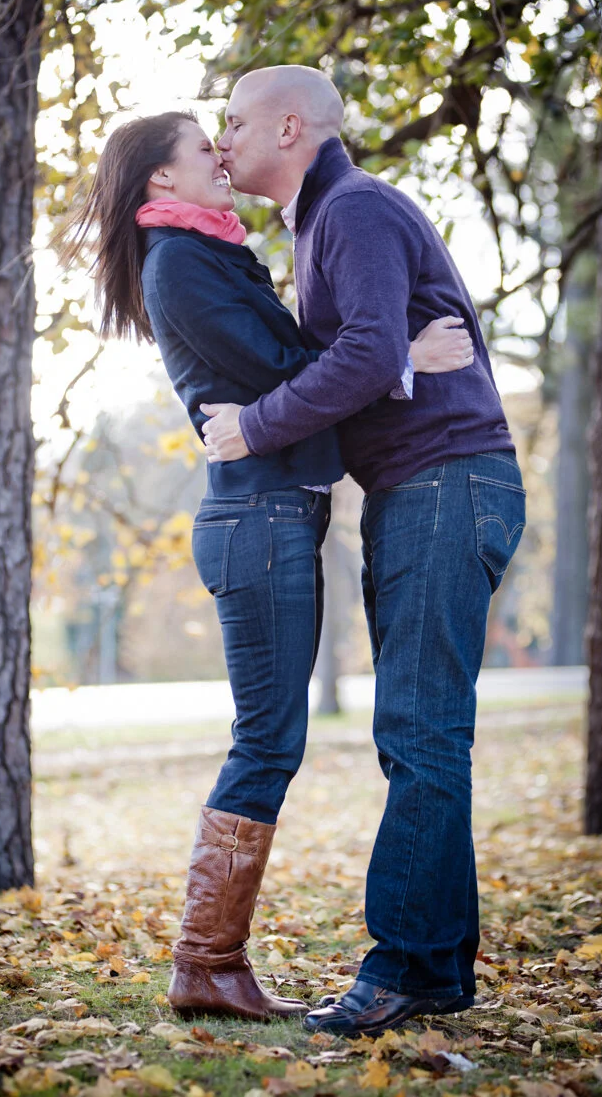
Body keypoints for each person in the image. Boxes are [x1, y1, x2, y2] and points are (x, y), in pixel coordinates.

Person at [59, 109, 473, 1022]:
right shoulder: (180, 264)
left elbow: (285, 374)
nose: (220, 155)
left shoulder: (205, 252)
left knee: (270, 741)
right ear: (159, 181)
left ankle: (211, 962)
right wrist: (402, 353)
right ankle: (205, 960)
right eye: (203, 148)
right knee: (267, 742)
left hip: (278, 512)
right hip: (256, 519)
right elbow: (287, 364)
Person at [202, 66, 526, 1036]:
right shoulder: (320, 223)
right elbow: (377, 358)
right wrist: (384, 369)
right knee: (423, 736)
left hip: (447, 482)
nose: (221, 141)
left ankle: (400, 968)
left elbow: (368, 348)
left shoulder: (354, 208)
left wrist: (255, 427)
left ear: (290, 125)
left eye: (233, 121)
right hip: (424, 488)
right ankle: (434, 968)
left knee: (420, 734)